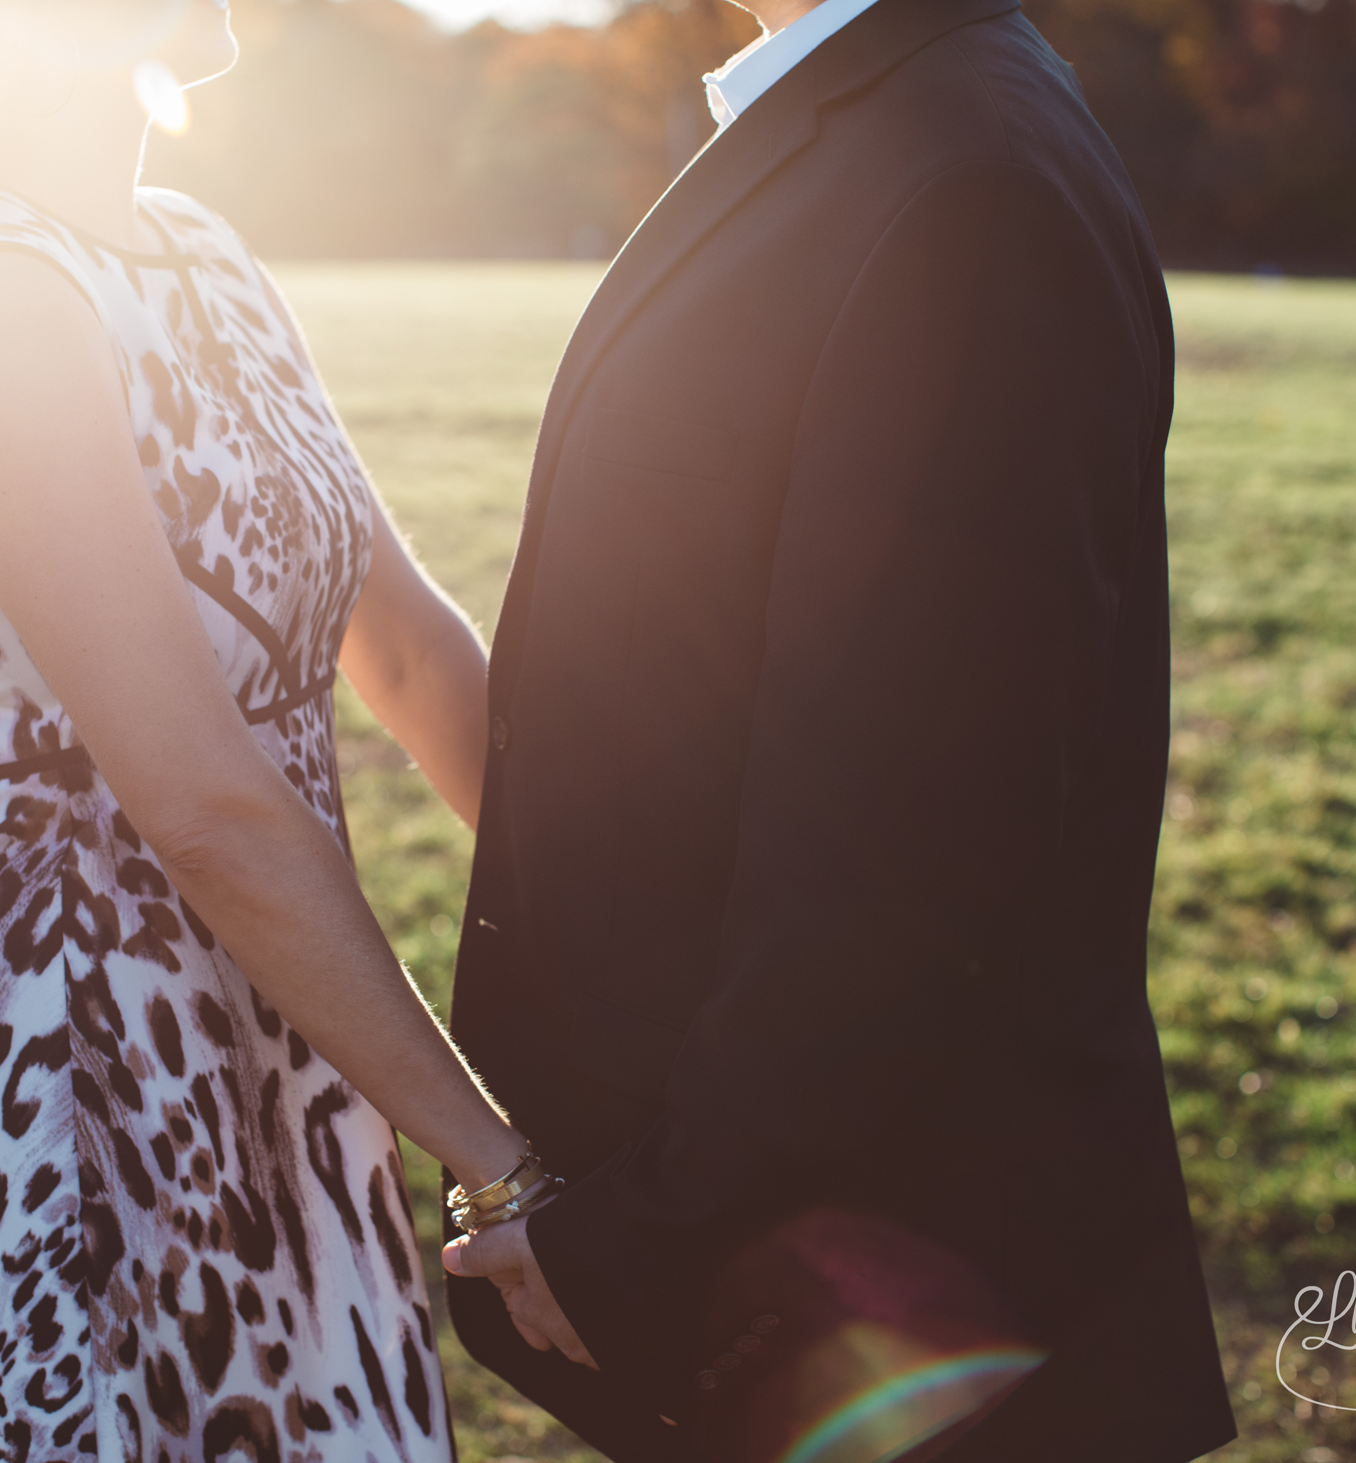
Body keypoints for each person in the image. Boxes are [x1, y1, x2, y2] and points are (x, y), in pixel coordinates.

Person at [434, 0, 1238, 1457]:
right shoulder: (880, 122)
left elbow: (909, 857)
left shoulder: (964, 179)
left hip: (896, 1337)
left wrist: (644, 1236)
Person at [0, 3, 539, 1458]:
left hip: (292, 1020)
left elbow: (408, 648)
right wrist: (498, 1170)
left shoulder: (195, 246)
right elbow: (201, 801)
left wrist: (648, 952)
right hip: (105, 1070)